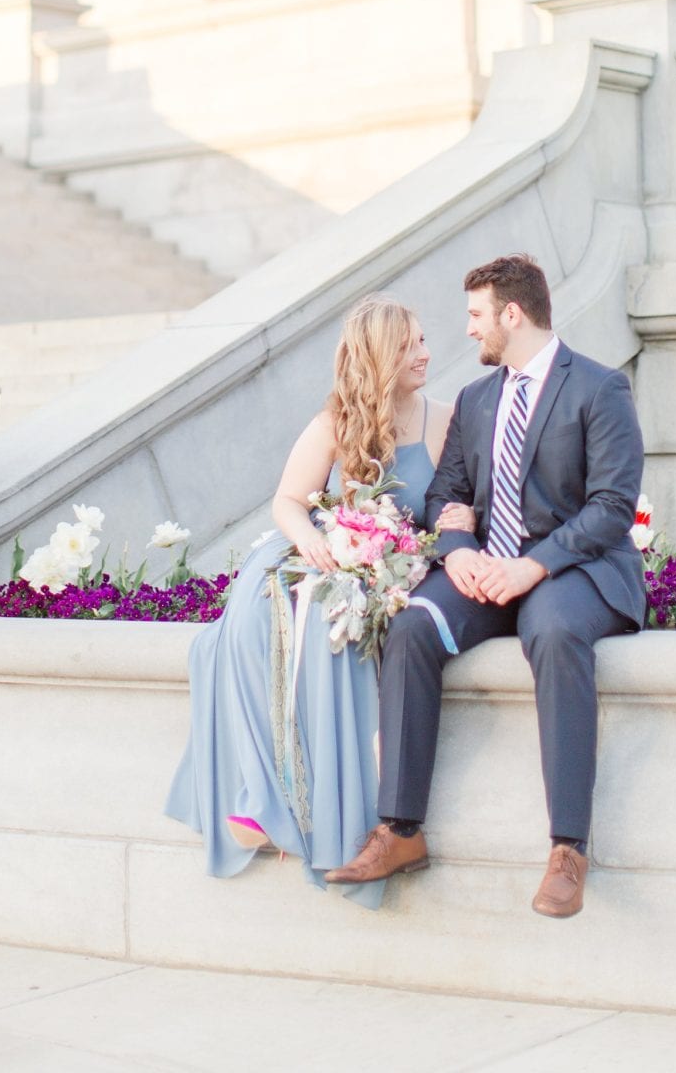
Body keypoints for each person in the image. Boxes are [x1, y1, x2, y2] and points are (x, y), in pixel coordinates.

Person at [326, 254, 645, 919]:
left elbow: (612, 506)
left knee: (555, 634)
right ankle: (400, 830)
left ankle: (567, 850)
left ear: (510, 313)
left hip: (570, 572)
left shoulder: (597, 387)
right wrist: (460, 550)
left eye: (475, 315)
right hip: (483, 571)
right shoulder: (475, 401)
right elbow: (448, 492)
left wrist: (534, 566)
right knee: (411, 623)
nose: (468, 331)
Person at [165, 294, 461, 906]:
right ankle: (266, 795)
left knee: (340, 639)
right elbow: (288, 502)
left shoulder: (445, 420)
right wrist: (316, 542)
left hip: (400, 568)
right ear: (381, 356)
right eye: (411, 346)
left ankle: (321, 812)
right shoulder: (335, 423)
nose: (426, 354)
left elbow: (458, 508)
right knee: (252, 623)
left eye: (426, 341)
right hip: (323, 553)